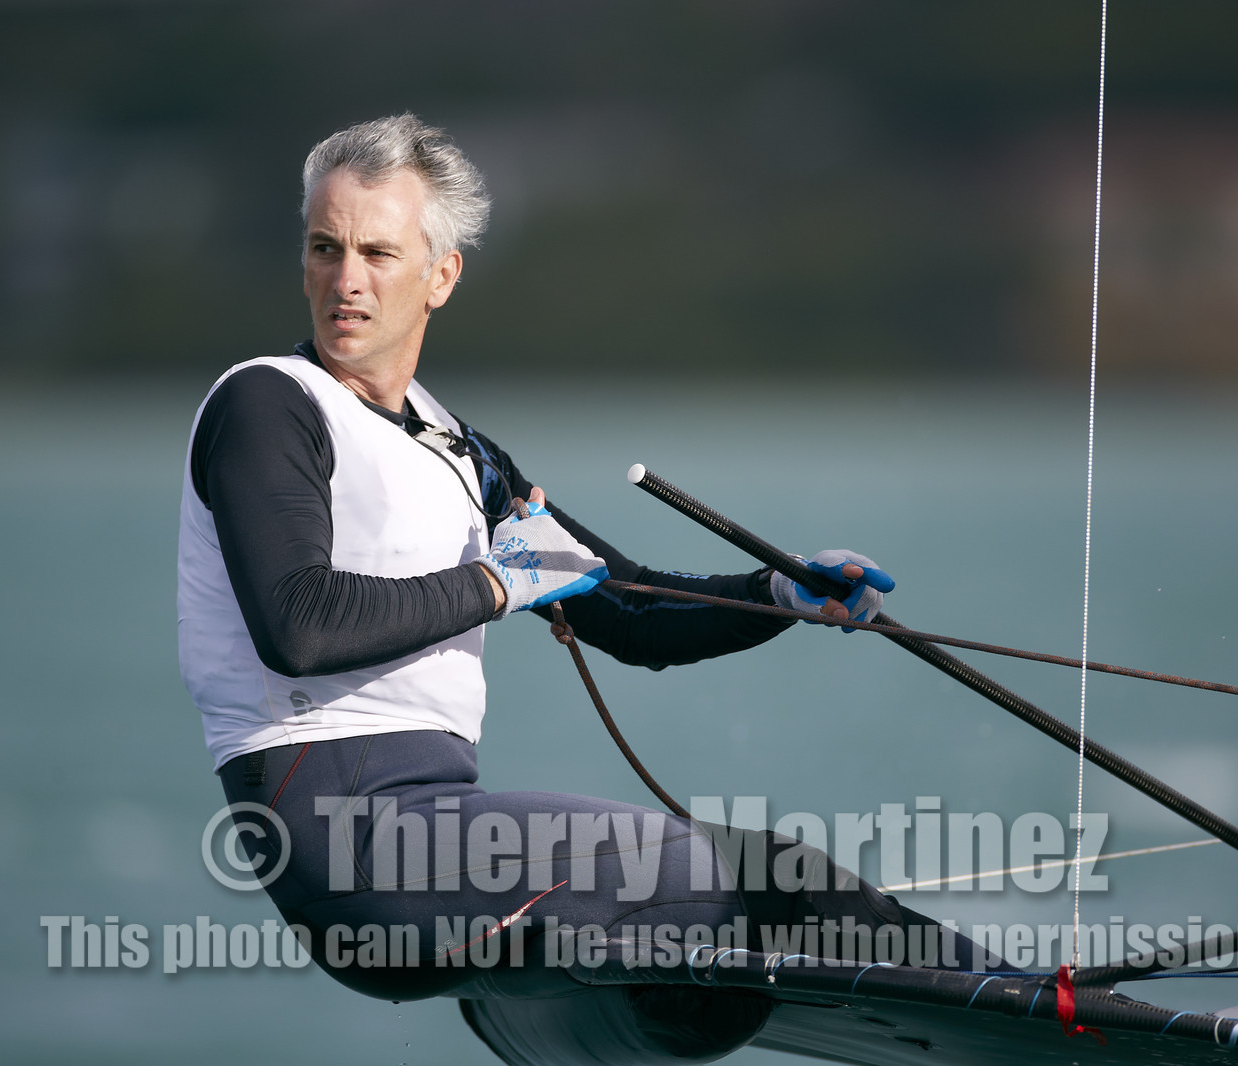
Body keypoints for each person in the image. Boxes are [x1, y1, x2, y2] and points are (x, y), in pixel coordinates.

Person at [177, 115, 983, 1017]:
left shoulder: (461, 453)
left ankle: (988, 993)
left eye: (377, 252)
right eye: (325, 248)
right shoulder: (268, 405)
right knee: (772, 879)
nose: (346, 280)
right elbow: (300, 625)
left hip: (436, 831)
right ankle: (1027, 1001)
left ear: (441, 276)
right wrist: (497, 583)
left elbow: (630, 615)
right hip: (342, 837)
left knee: (744, 893)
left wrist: (779, 593)